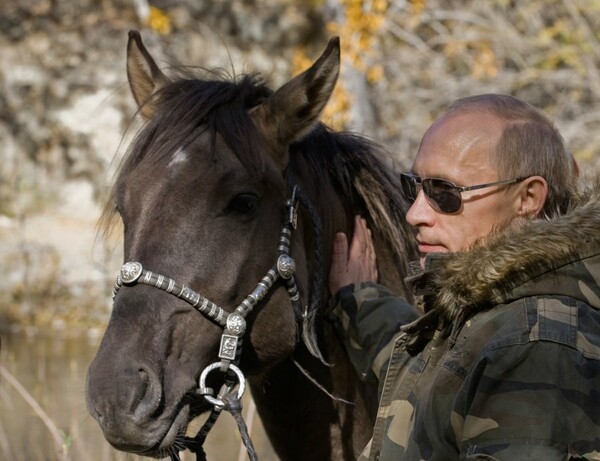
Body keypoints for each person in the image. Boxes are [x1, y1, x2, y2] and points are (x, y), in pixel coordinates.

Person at [328, 94, 600, 460]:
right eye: (414, 186)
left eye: (444, 192)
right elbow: (421, 369)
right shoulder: (490, 311)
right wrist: (357, 298)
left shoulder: (533, 344)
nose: (414, 214)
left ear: (528, 198)